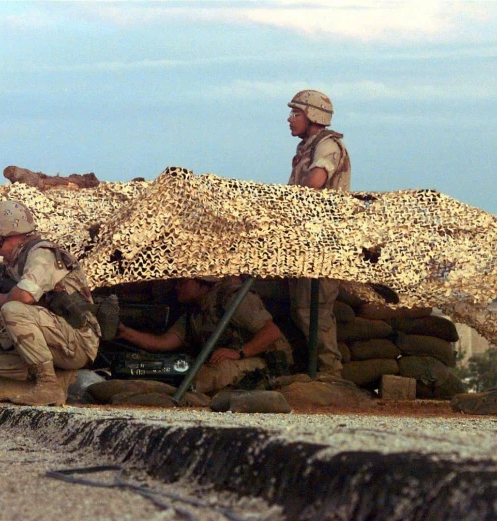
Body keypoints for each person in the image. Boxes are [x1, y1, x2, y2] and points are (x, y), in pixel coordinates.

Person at [0, 200, 100, 406]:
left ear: (6, 232)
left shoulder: (41, 253)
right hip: (52, 340)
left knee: (12, 309)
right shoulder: (14, 264)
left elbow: (26, 295)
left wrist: (0, 300)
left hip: (78, 340)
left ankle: (48, 387)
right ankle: (57, 378)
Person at [116, 277, 292, 394]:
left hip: (267, 361)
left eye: (183, 282)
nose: (177, 287)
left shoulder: (232, 298)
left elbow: (271, 333)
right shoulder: (196, 311)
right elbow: (164, 342)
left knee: (215, 373)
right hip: (236, 360)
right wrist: (126, 333)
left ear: (202, 283)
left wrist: (239, 353)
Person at [286, 89, 351, 377]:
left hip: (325, 244)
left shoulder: (327, 146)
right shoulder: (308, 147)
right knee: (301, 309)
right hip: (306, 243)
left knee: (315, 312)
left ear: (312, 115)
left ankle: (329, 376)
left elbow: (315, 182)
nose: (290, 119)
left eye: (296, 113)